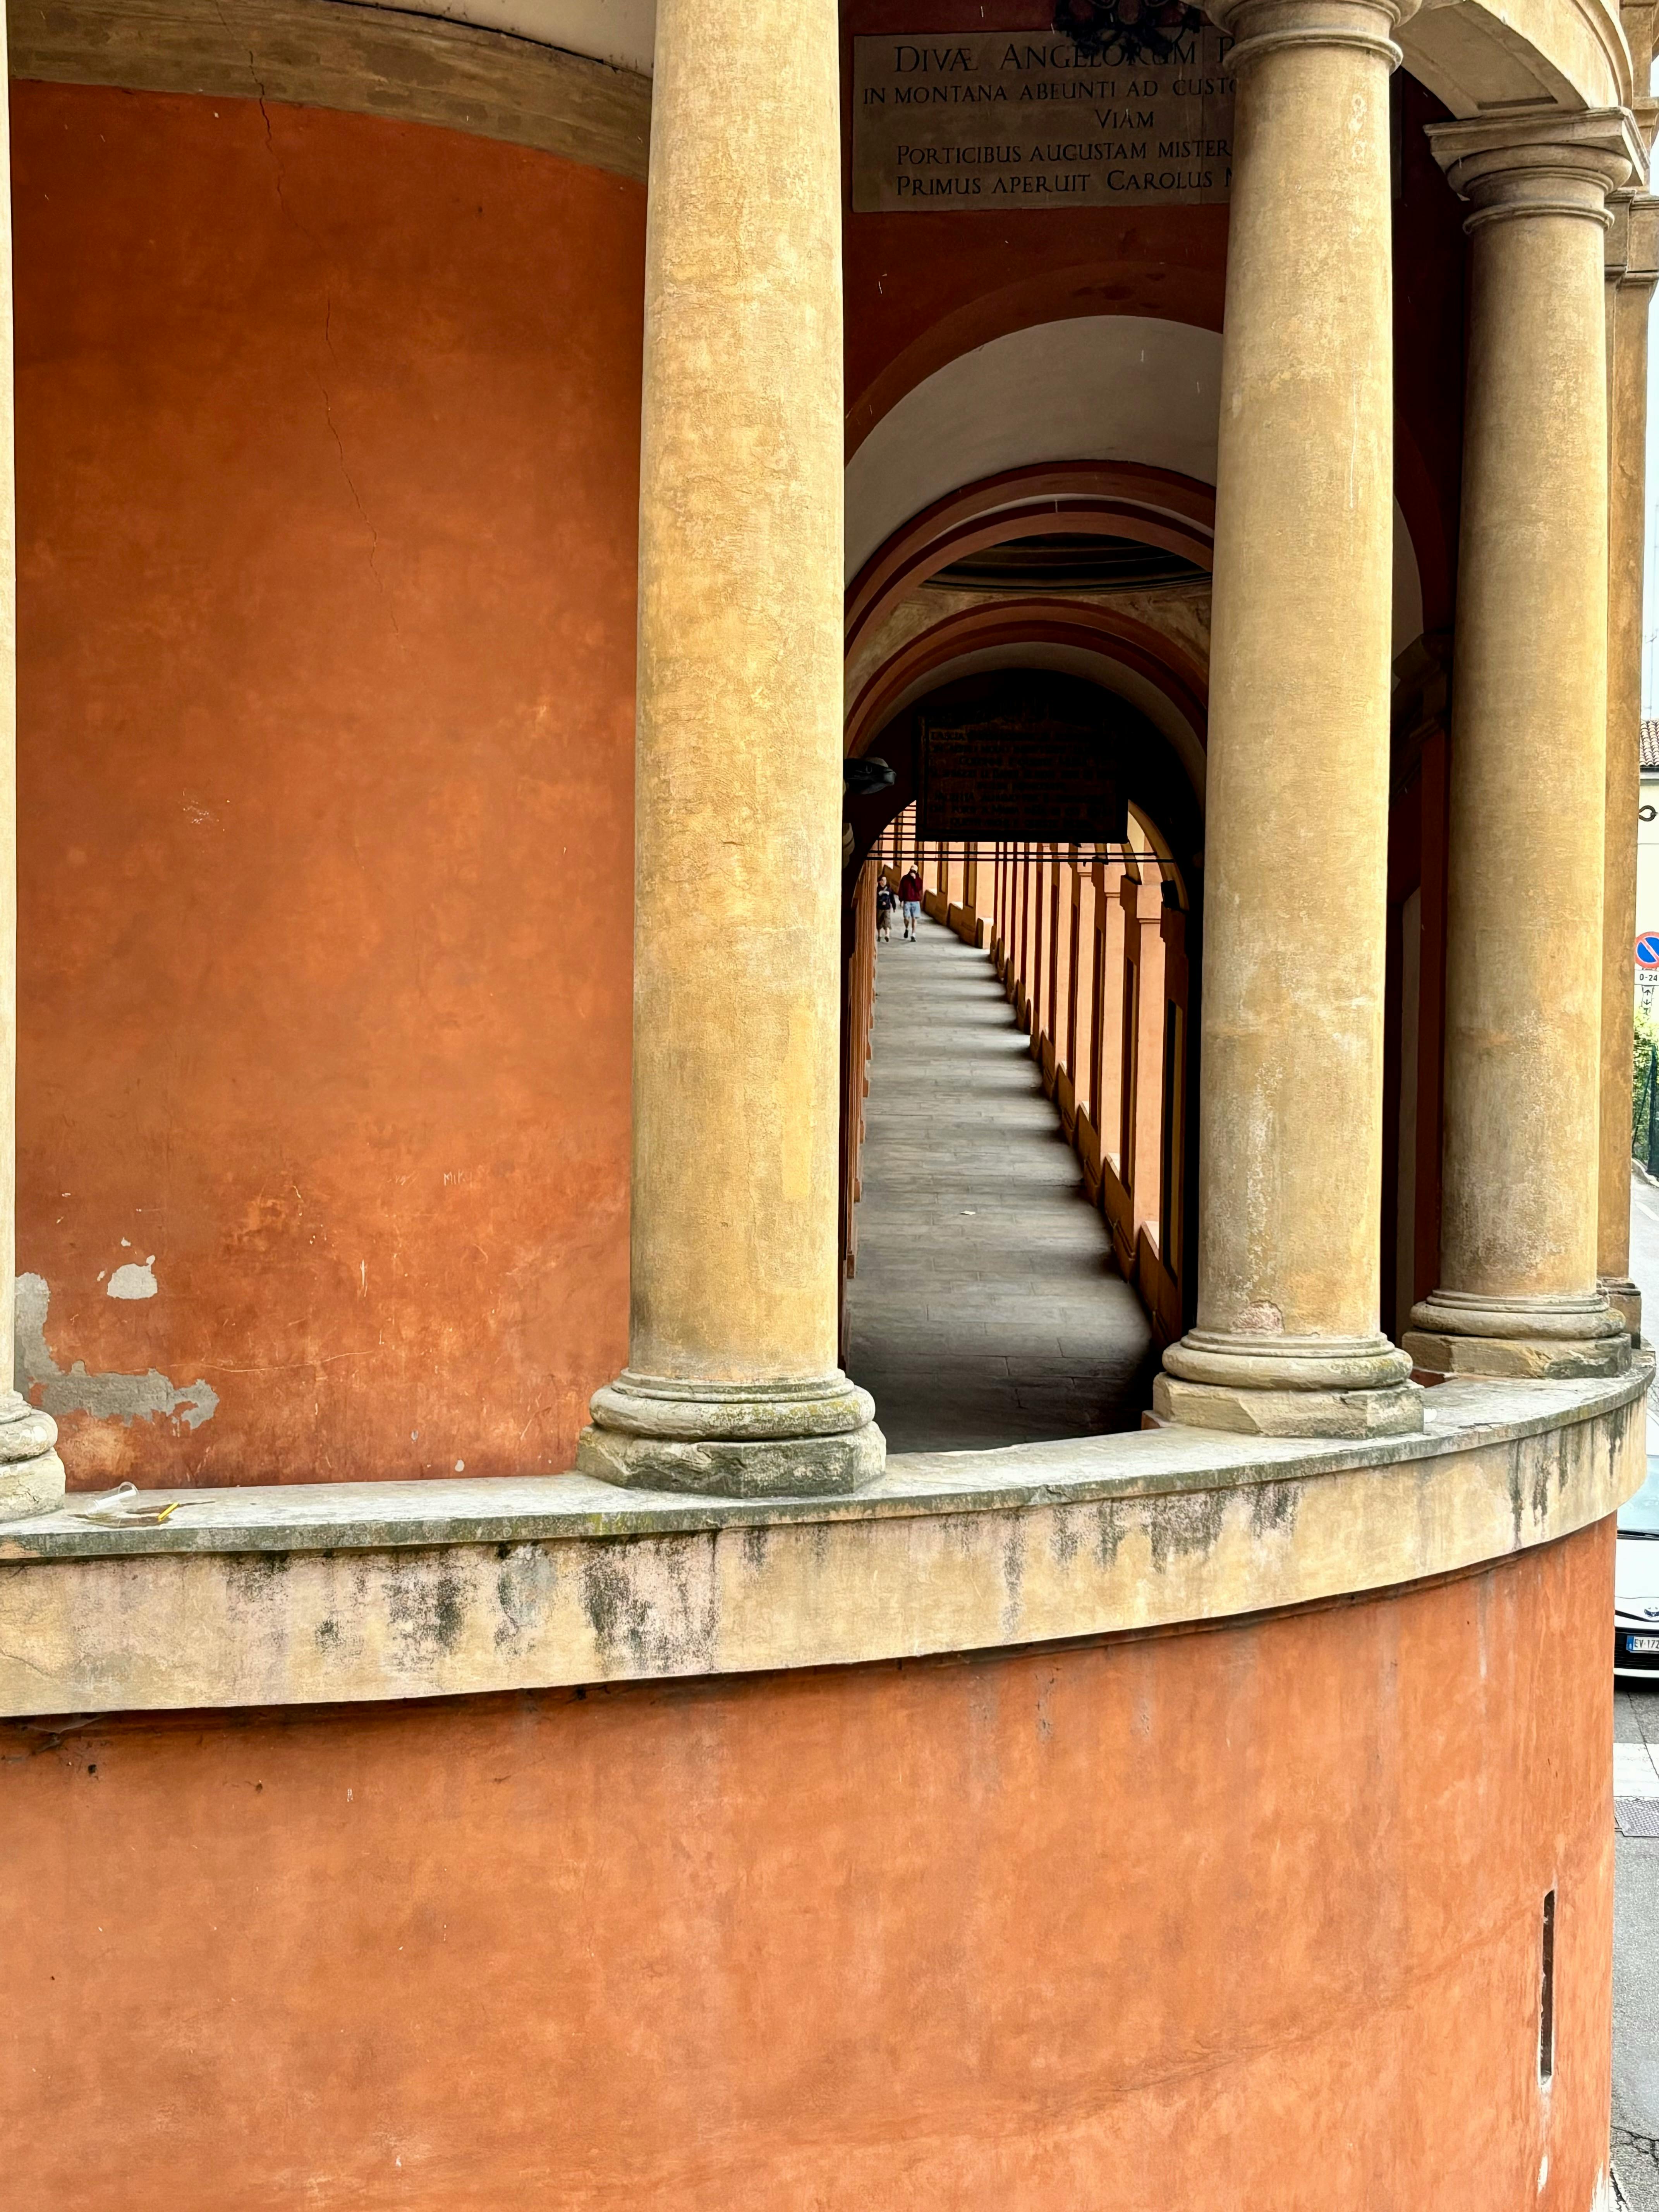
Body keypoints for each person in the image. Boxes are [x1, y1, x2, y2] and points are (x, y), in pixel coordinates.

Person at [898, 864, 923, 940]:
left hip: (916, 901)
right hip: (907, 901)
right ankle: (907, 929)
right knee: (906, 918)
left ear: (916, 872)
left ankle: (913, 935)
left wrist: (915, 879)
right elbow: (901, 889)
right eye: (911, 871)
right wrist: (901, 900)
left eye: (914, 871)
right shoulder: (905, 879)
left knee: (914, 919)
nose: (912, 872)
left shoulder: (919, 880)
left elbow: (918, 889)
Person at [876, 876, 894, 943]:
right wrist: (881, 902)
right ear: (880, 882)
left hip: (887, 908)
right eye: (882, 880)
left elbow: (892, 898)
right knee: (879, 922)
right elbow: (876, 898)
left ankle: (887, 935)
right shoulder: (878, 889)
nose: (884, 882)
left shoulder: (889, 889)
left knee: (887, 921)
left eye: (885, 880)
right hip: (880, 908)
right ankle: (879, 935)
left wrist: (894, 906)